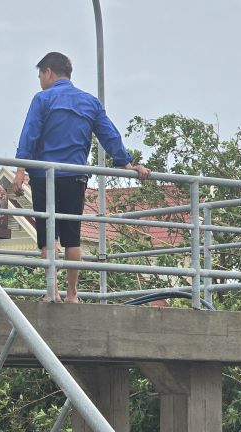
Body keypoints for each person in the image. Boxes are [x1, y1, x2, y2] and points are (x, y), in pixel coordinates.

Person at [12, 52, 151, 303]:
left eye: (40, 75)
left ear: (48, 73)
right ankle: (73, 294)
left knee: (47, 235)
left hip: (44, 175)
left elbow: (29, 135)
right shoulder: (90, 102)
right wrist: (127, 163)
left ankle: (51, 291)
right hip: (75, 177)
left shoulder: (42, 99)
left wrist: (20, 171)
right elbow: (109, 135)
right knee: (72, 237)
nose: (40, 81)